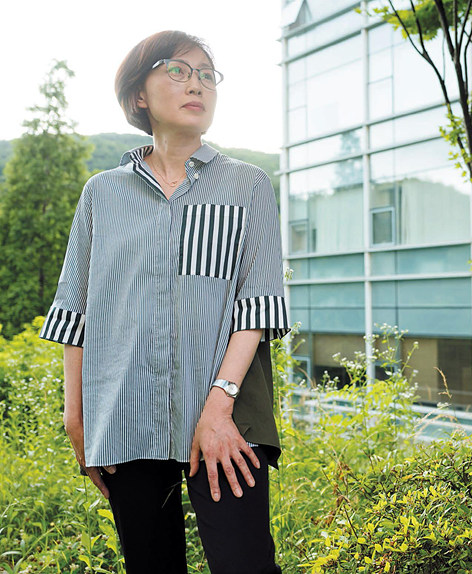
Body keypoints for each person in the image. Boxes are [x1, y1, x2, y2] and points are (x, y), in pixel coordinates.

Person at [39, 30, 288, 574]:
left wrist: (218, 407)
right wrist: (76, 417)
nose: (196, 84)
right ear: (138, 95)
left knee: (245, 564)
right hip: (124, 412)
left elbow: (257, 305)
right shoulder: (101, 194)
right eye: (178, 70)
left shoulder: (247, 186)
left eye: (207, 75)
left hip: (228, 414)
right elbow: (76, 310)